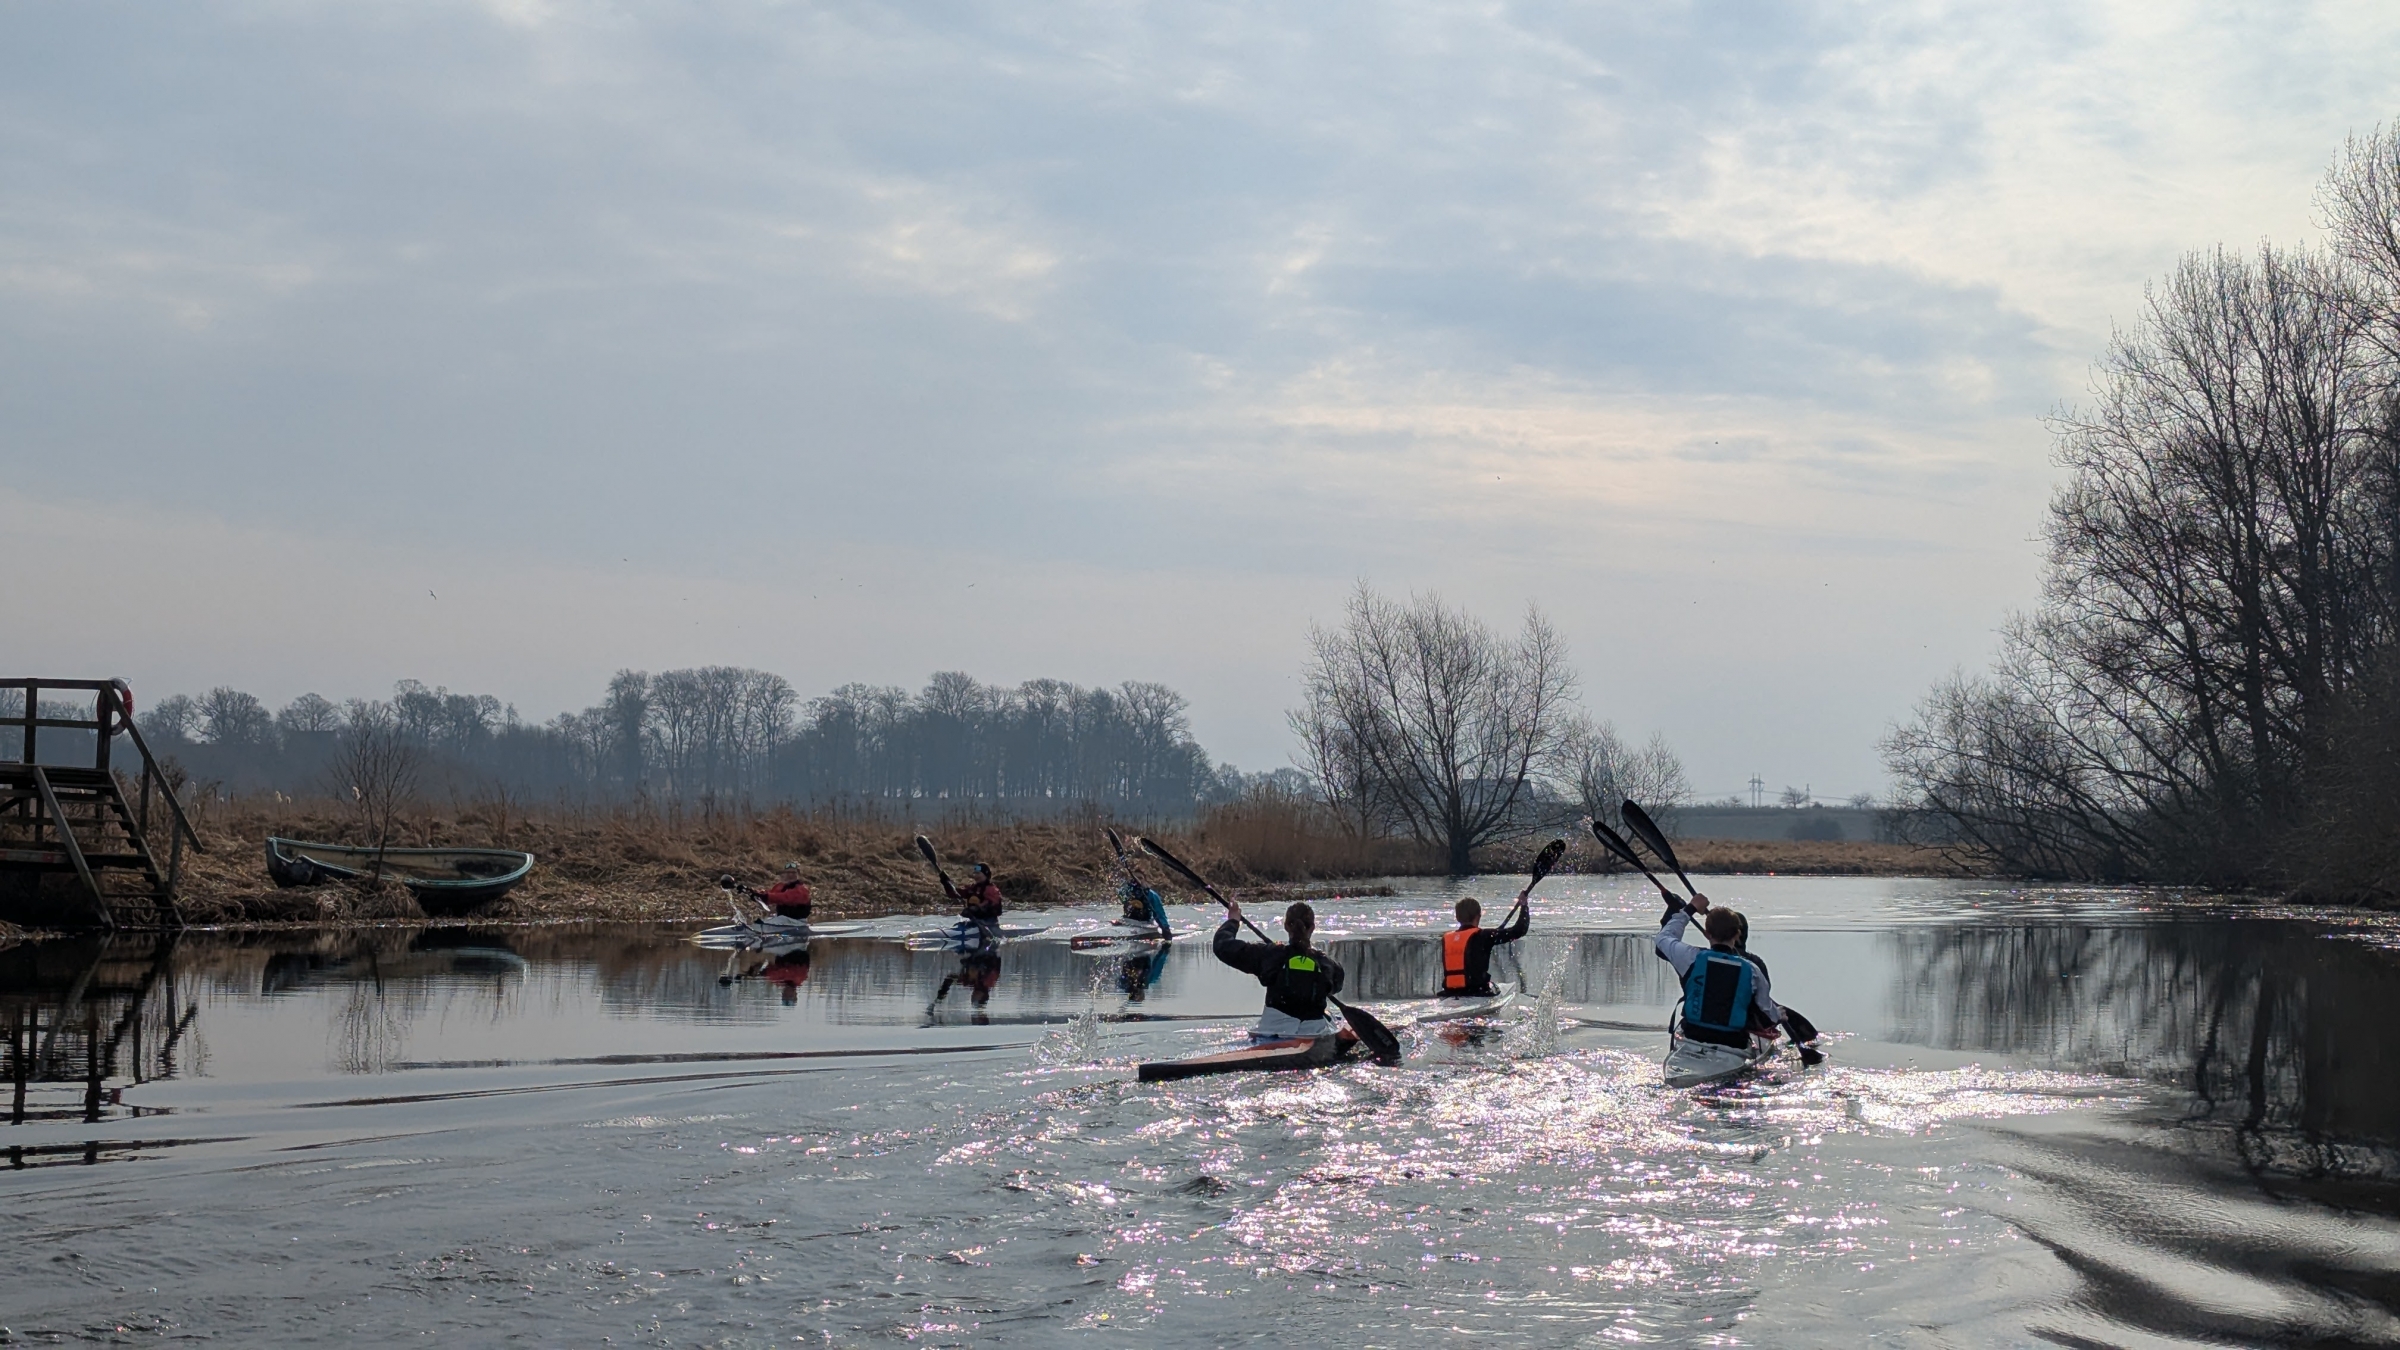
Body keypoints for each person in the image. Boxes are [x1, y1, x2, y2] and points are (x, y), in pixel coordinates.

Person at [1213, 900, 1345, 1041]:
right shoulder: (1328, 965)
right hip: (1315, 1031)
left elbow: (1222, 946)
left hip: (1271, 1031)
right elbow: (1336, 985)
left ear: (1286, 926)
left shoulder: (1270, 955)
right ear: (1312, 927)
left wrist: (1233, 921)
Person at [1439, 894, 1529, 997]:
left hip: (1449, 993)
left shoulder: (1446, 938)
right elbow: (1519, 930)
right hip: (1477, 992)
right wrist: (1524, 906)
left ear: (1457, 917)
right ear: (1478, 916)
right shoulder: (1483, 936)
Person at [1119, 867, 1173, 936]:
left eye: (1140, 878)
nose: (1137, 880)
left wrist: (1165, 928)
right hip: (1129, 921)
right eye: (1135, 878)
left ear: (1145, 881)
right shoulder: (1126, 892)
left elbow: (1160, 914)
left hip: (1146, 923)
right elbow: (1120, 893)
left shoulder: (1151, 895)